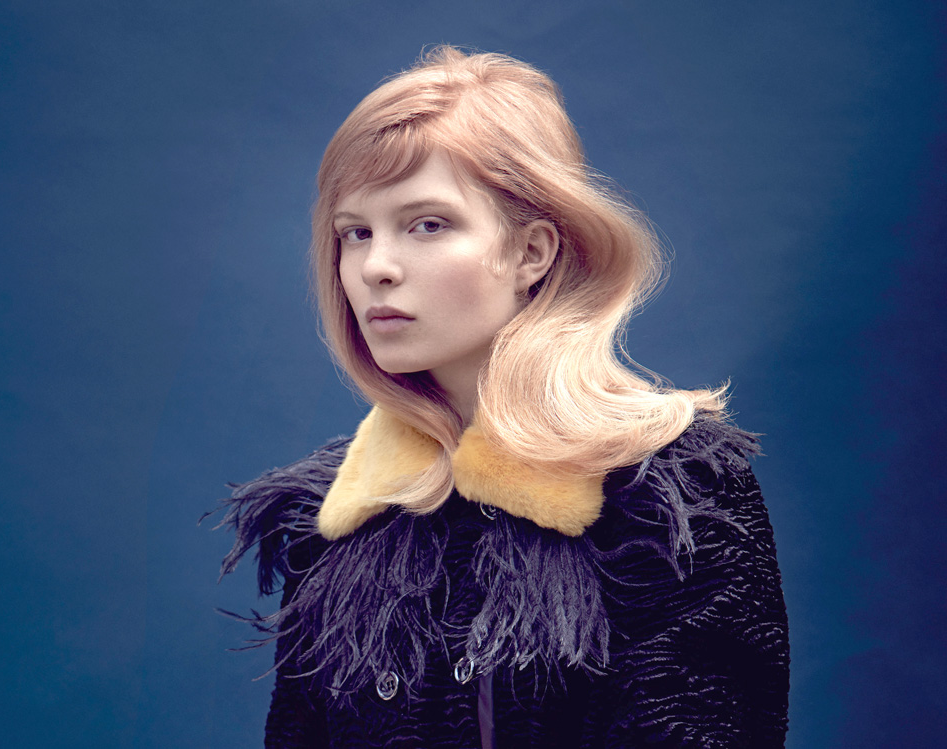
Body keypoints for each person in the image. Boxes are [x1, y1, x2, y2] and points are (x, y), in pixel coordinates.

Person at [214, 46, 789, 748]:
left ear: (532, 252)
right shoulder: (332, 519)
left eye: (427, 224)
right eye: (354, 233)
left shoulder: (669, 493)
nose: (375, 267)